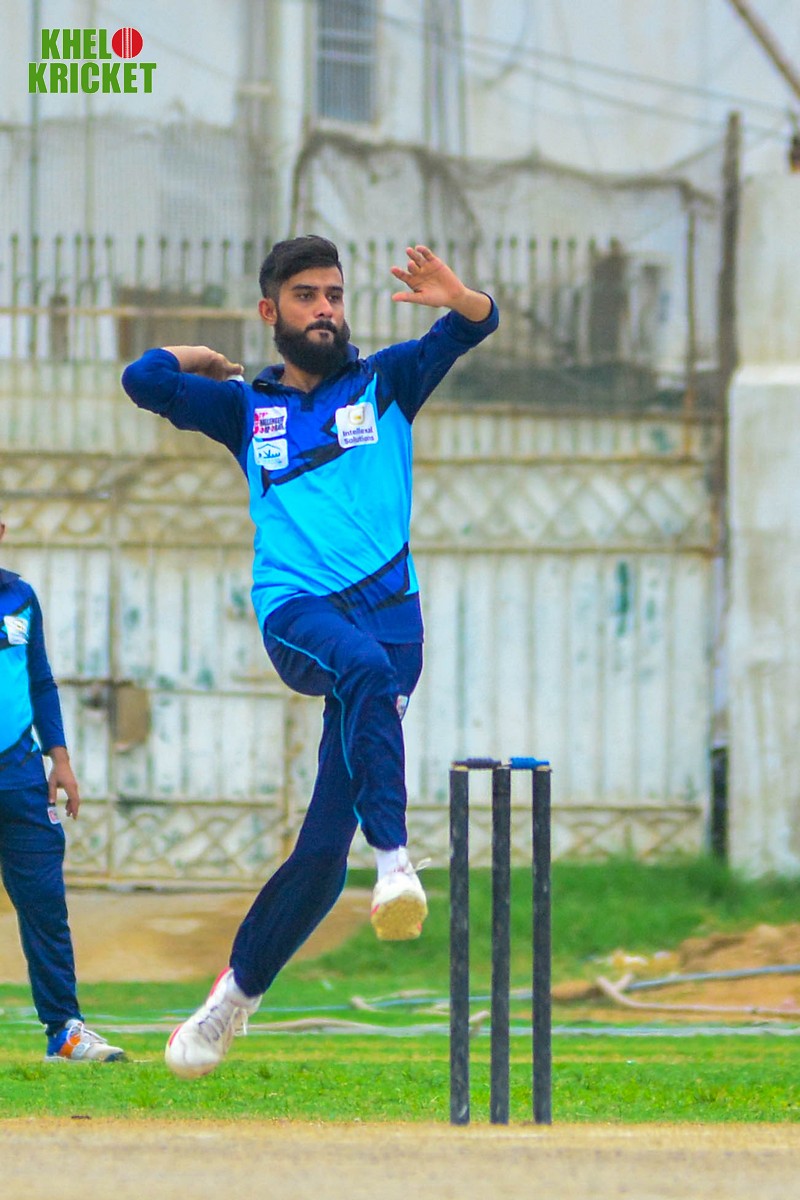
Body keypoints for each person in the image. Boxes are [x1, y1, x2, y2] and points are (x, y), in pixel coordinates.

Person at [122, 237, 498, 1078]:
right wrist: (200, 357)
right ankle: (395, 861)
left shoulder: (387, 381)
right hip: (298, 610)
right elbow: (142, 380)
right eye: (305, 296)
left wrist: (458, 296)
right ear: (272, 312)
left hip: (392, 625)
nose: (324, 309)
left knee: (323, 852)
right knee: (358, 669)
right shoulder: (245, 408)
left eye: (333, 294)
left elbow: (478, 325)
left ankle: (233, 997)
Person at [0, 515, 125, 1062]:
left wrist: (61, 760)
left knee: (45, 905)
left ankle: (65, 1032)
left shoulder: (20, 597)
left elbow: (40, 681)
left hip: (21, 774)